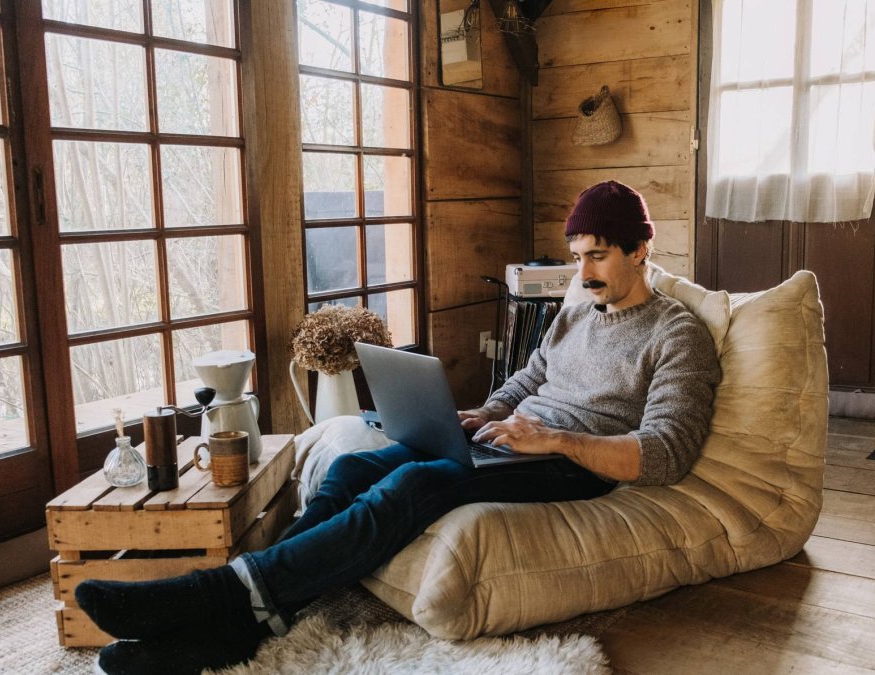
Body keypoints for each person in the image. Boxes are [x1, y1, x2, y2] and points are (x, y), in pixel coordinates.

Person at [76, 180, 722, 675]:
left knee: (417, 482)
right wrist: (485, 412)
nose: (583, 273)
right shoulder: (578, 311)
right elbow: (532, 377)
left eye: (600, 256)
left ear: (641, 248)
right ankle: (249, 621)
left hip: (570, 462)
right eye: (578, 256)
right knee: (355, 467)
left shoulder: (678, 334)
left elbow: (665, 453)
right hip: (518, 440)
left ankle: (217, 592)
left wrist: (550, 439)